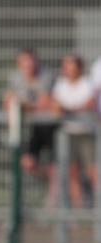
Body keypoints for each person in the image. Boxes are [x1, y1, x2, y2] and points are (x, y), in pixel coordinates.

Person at [3, 48, 57, 207]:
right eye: (25, 63)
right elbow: (9, 101)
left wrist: (23, 105)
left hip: (50, 127)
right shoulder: (15, 77)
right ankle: (54, 179)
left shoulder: (46, 76)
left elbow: (44, 103)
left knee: (57, 166)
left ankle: (53, 207)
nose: (29, 66)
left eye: (31, 62)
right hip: (31, 128)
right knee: (27, 163)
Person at [51, 53, 96, 209]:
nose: (67, 68)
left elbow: (89, 104)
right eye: (65, 65)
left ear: (79, 67)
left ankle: (97, 210)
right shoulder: (60, 84)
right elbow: (56, 106)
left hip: (86, 133)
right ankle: (79, 210)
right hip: (67, 134)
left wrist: (68, 110)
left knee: (93, 171)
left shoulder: (87, 83)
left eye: (70, 64)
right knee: (72, 172)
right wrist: (71, 110)